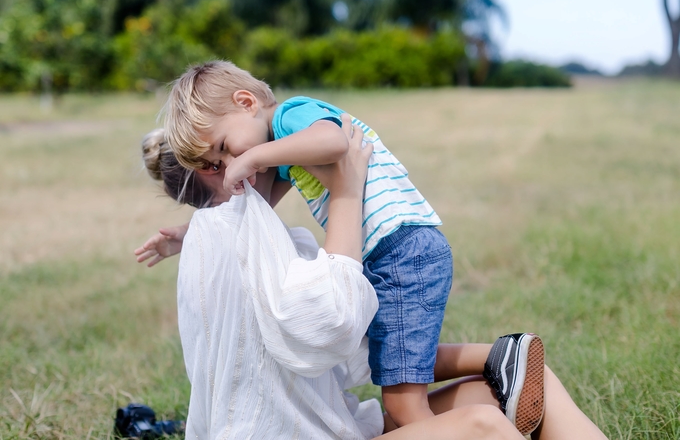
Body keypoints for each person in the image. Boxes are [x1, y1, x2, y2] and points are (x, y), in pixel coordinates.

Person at [136, 118, 608, 440]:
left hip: (340, 427)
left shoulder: (242, 239)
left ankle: (510, 360)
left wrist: (491, 359)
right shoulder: (232, 237)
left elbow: (364, 357)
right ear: (217, 169)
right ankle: (503, 363)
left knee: (523, 380)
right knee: (481, 424)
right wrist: (345, 191)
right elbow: (337, 325)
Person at [161, 60, 452, 427]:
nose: (230, 161)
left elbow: (333, 143)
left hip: (401, 250)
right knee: (395, 369)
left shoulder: (290, 115)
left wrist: (252, 156)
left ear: (247, 102)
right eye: (217, 162)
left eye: (223, 147)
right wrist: (193, 234)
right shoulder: (284, 151)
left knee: (405, 407)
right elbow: (255, 214)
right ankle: (499, 363)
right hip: (393, 252)